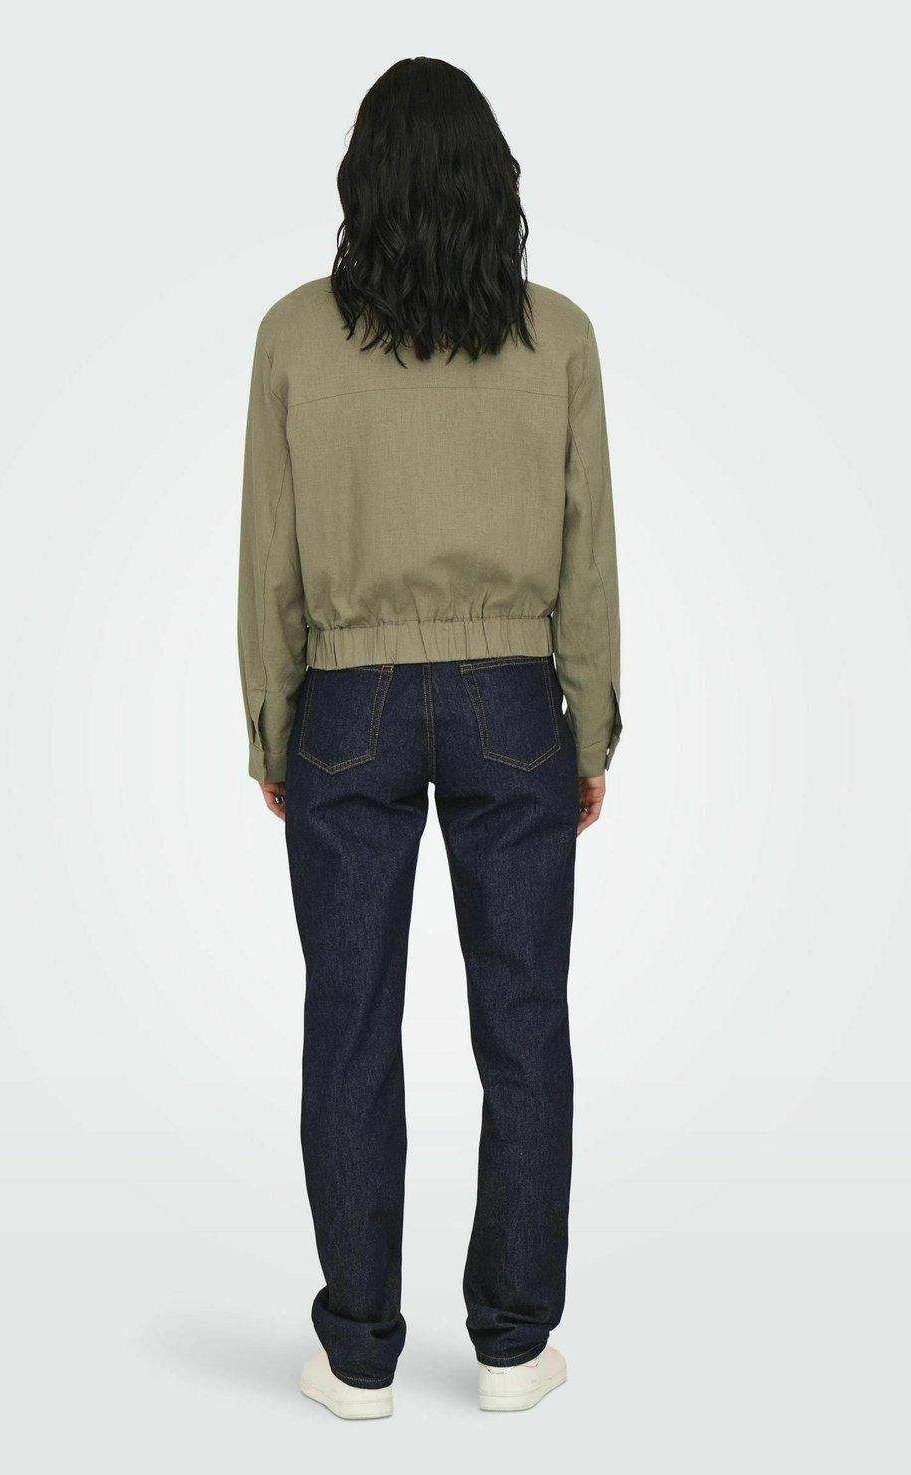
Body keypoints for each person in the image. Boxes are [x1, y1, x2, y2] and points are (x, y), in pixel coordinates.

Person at [238, 56, 621, 1419]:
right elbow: (588, 552)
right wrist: (590, 727)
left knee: (348, 1025)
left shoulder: (295, 336)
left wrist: (276, 726)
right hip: (516, 703)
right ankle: (512, 1346)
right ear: (491, 183)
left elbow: (270, 555)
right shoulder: (558, 337)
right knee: (524, 1022)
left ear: (362, 184)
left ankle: (357, 1355)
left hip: (349, 706)